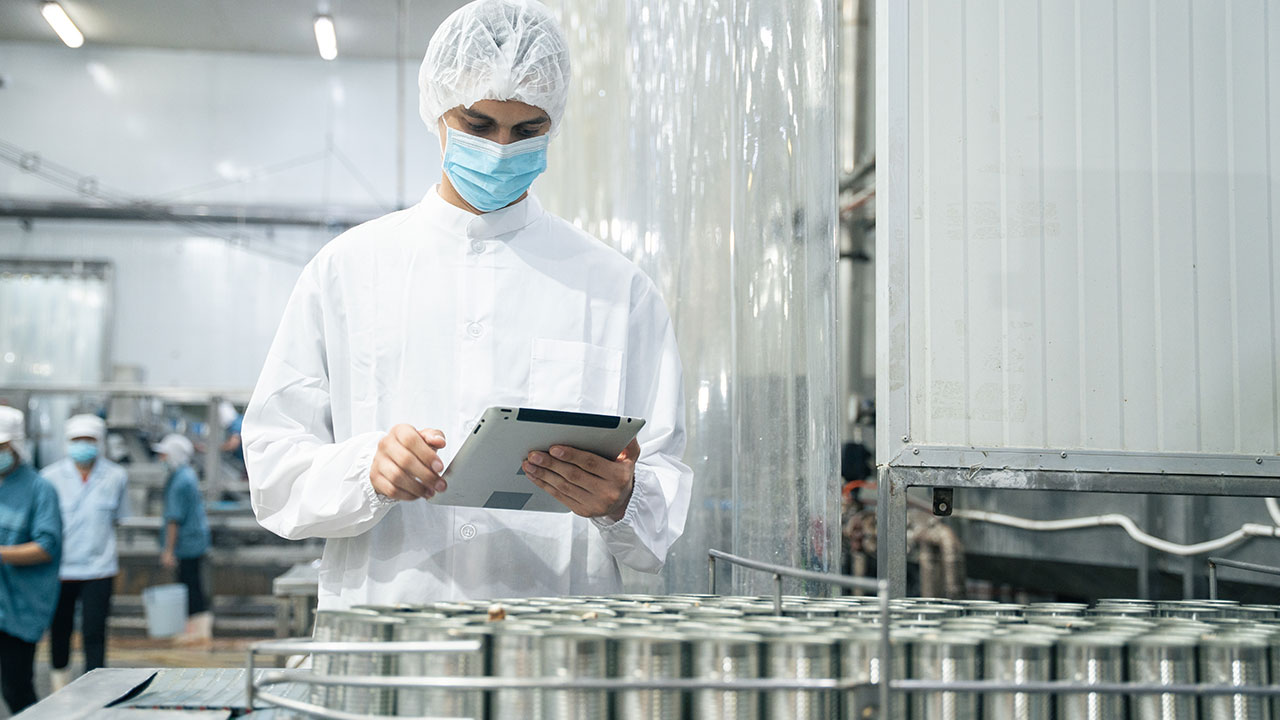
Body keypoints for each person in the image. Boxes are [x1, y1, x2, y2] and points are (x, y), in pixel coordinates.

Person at [244, 0, 692, 609]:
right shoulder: (348, 270)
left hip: (552, 647)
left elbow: (661, 496)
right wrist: (365, 471)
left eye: (527, 130)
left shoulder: (616, 288)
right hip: (389, 638)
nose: (502, 149)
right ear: (438, 113)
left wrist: (621, 500)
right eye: (478, 126)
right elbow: (274, 471)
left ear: (552, 123)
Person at [41, 414, 130, 689]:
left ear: (99, 442)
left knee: (94, 632)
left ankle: (95, 690)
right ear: (67, 443)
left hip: (99, 569)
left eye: (89, 440)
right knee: (60, 630)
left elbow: (119, 518)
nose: (83, 445)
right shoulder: (50, 477)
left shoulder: (116, 476)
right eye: (77, 440)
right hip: (60, 569)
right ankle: (59, 688)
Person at [0, 407, 61, 713]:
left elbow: (46, 546)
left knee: (16, 686)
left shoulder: (40, 489)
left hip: (20, 606)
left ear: (16, 445)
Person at [153, 433, 212, 639]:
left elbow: (173, 518)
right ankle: (198, 629)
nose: (161, 460)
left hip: (187, 543)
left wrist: (168, 550)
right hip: (194, 540)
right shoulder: (187, 474)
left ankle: (195, 632)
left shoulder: (179, 481)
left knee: (189, 586)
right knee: (193, 583)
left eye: (164, 455)